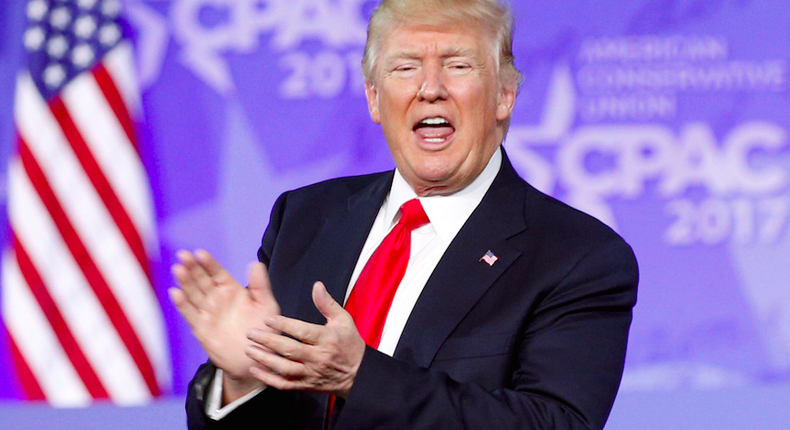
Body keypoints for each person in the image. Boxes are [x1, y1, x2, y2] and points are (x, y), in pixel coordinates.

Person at [169, 0, 639, 429]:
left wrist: (361, 376)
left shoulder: (577, 257)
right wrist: (242, 381)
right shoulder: (306, 217)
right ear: (375, 98)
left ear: (504, 96)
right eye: (405, 67)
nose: (430, 89)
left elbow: (556, 425)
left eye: (457, 65)